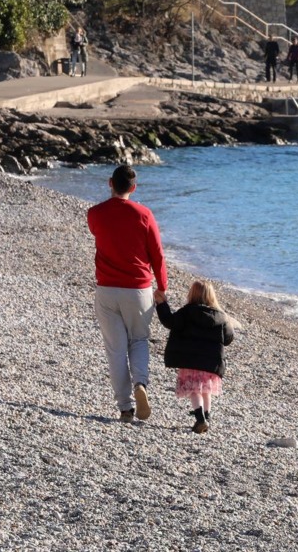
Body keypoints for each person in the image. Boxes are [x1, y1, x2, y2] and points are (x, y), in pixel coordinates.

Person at [87, 165, 168, 422]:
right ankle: (140, 384)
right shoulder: (144, 214)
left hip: (107, 289)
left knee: (115, 349)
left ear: (110, 183)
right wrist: (162, 287)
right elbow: (157, 253)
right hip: (139, 290)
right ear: (133, 188)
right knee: (139, 340)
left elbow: (102, 234)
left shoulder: (95, 214)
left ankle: (125, 407)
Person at [154, 280, 234, 434]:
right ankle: (207, 417)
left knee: (193, 389)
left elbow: (169, 321)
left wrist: (161, 304)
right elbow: (228, 338)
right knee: (205, 390)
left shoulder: (187, 312)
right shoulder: (221, 317)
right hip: (211, 363)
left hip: (190, 360)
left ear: (192, 294)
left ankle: (199, 417)